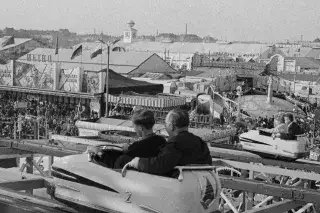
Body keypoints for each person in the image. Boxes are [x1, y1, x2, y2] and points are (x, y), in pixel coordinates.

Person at [126, 109, 212, 176]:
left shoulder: (174, 144)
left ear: (171, 126)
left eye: (165, 123)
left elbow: (161, 164)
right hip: (203, 183)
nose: (165, 126)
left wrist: (139, 162)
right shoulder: (200, 142)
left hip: (182, 187)